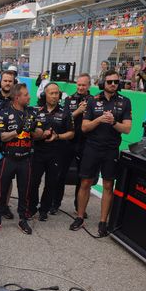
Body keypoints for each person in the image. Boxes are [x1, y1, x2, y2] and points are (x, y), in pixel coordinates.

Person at [70, 70, 132, 237]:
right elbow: (84, 128)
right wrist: (99, 120)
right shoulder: (92, 101)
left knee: (108, 185)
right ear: (103, 82)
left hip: (111, 149)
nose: (113, 84)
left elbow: (127, 129)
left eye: (116, 82)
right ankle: (80, 217)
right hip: (92, 147)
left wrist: (113, 123)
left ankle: (103, 222)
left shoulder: (125, 102)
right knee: (85, 183)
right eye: (110, 81)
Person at [0, 83, 43, 234]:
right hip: (8, 158)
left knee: (24, 192)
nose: (29, 97)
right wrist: (17, 131)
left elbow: (40, 134)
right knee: (1, 190)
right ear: (17, 97)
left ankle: (23, 219)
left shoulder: (32, 112)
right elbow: (1, 136)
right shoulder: (4, 112)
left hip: (25, 159)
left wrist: (34, 129)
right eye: (26, 94)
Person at [31, 82, 74, 223]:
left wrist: (58, 136)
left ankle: (44, 210)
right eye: (52, 93)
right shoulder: (36, 111)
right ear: (45, 94)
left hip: (56, 154)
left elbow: (71, 134)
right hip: (37, 153)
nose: (55, 96)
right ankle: (31, 207)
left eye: (57, 93)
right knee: (34, 181)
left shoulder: (65, 112)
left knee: (51, 183)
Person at [56, 73, 93, 214]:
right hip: (68, 142)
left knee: (82, 177)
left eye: (84, 85)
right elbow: (64, 119)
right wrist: (78, 111)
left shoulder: (94, 101)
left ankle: (79, 207)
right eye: (79, 84)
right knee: (61, 174)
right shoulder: (69, 99)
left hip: (85, 143)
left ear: (89, 85)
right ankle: (55, 203)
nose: (81, 87)